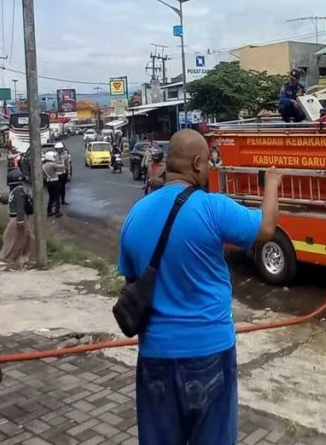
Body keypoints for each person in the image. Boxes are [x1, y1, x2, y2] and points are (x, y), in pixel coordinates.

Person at [118, 129, 282, 444]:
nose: (209, 170)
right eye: (207, 163)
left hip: (155, 355)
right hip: (210, 351)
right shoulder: (211, 208)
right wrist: (271, 183)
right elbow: (266, 228)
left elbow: (133, 285)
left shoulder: (135, 215)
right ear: (196, 164)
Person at [0, 169, 34, 268]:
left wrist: (20, 219)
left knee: (11, 238)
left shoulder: (18, 191)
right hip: (18, 217)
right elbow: (8, 200)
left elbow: (20, 205)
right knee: (26, 238)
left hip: (17, 218)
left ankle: (8, 258)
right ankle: (24, 257)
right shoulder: (15, 190)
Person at [41, 151, 62, 217]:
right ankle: (57, 212)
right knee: (57, 198)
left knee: (51, 197)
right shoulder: (52, 164)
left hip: (48, 182)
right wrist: (60, 160)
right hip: (55, 181)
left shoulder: (43, 166)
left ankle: (49, 212)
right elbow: (62, 167)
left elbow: (43, 176)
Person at [54, 142, 71, 206]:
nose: (59, 150)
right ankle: (56, 201)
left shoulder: (65, 155)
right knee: (56, 189)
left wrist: (68, 173)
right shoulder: (54, 155)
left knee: (63, 188)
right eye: (57, 149)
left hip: (63, 173)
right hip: (56, 174)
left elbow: (68, 164)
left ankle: (63, 200)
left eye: (60, 149)